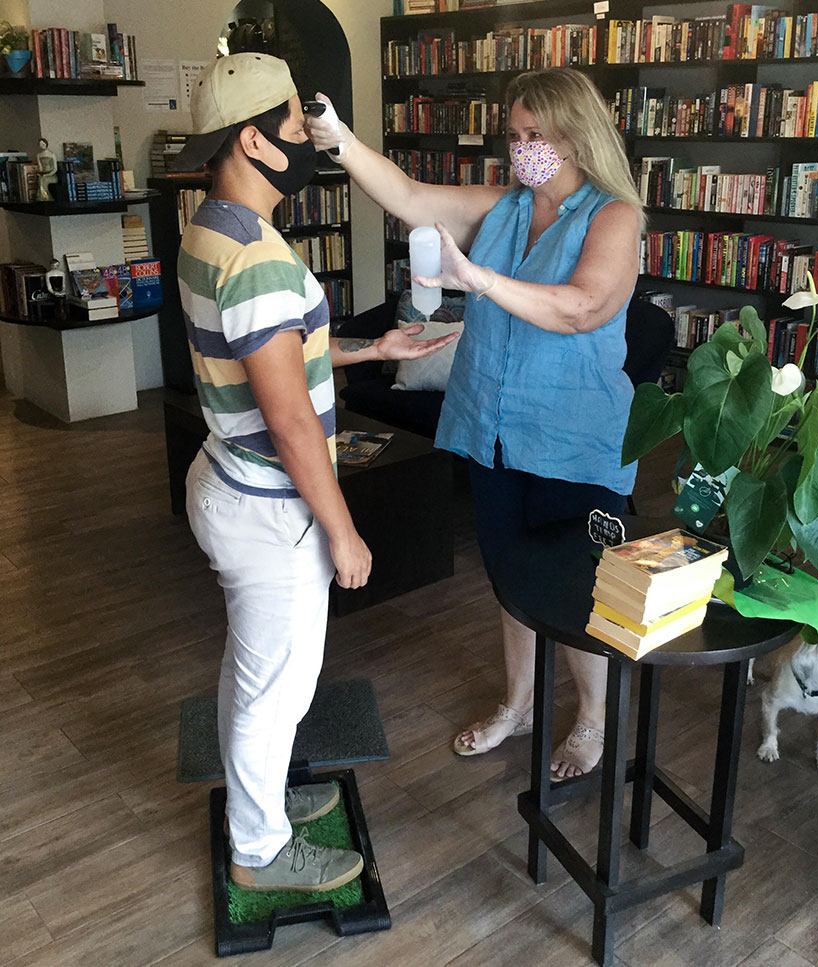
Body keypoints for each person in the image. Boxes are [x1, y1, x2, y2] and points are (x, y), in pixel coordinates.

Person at [306, 67, 644, 780]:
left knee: (580, 588)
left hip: (573, 440)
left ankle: (593, 720)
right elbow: (409, 196)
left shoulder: (614, 215)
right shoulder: (506, 209)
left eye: (534, 136)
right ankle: (518, 702)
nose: (521, 149)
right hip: (491, 427)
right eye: (515, 135)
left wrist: (478, 279)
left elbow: (581, 306)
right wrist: (341, 142)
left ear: (574, 136)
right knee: (511, 576)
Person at [173, 53, 458, 892]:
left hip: (228, 480)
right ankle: (259, 851)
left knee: (251, 674)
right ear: (254, 141)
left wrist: (374, 347)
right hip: (270, 508)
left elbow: (273, 353)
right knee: (275, 693)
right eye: (299, 122)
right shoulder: (255, 256)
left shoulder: (212, 225)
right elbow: (291, 418)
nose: (314, 134)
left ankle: (253, 800)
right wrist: (343, 531)